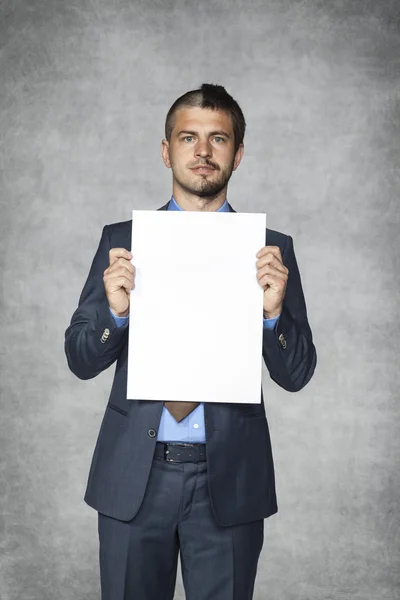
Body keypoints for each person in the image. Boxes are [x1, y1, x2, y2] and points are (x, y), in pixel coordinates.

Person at [64, 83, 317, 600]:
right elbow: (80, 359)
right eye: (188, 137)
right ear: (166, 150)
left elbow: (297, 374)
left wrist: (273, 316)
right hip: (135, 475)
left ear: (238, 154)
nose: (202, 152)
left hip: (229, 481)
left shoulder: (272, 249)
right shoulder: (122, 242)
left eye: (218, 139)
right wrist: (116, 311)